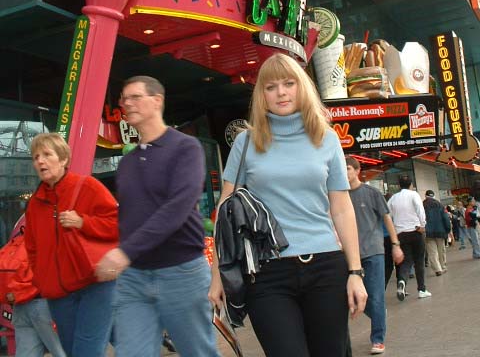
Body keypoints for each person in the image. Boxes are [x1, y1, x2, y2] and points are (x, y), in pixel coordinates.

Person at [209, 53, 367, 357]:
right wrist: (218, 276)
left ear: (302, 86)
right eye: (271, 87)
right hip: (267, 274)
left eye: (288, 83)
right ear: (262, 95)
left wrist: (355, 272)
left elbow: (341, 207)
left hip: (325, 267)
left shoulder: (326, 138)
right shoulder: (246, 142)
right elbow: (225, 215)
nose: (281, 92)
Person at [96, 76, 219, 357]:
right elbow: (127, 218)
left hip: (181, 272)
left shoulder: (186, 148)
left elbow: (177, 208)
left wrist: (124, 252)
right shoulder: (127, 164)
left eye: (135, 97)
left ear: (157, 101)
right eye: (124, 99)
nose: (127, 103)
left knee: (198, 352)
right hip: (133, 278)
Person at [24, 133, 119, 357]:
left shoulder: (87, 186)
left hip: (95, 284)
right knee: (73, 351)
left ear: (63, 159)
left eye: (47, 154)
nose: (40, 161)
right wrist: (42, 278)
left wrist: (83, 222)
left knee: (86, 351)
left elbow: (119, 224)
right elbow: (32, 248)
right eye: (36, 157)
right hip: (59, 293)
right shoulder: (35, 204)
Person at [345, 156, 404, 355]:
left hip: (373, 252)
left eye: (348, 168)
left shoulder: (372, 193)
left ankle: (378, 339)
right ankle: (379, 315)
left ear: (357, 170)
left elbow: (387, 220)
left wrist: (395, 245)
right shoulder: (339, 195)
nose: (345, 172)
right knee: (359, 299)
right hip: (348, 255)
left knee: (376, 296)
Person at [6, 232, 66, 357]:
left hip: (20, 305)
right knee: (64, 352)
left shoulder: (20, 233)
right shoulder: (54, 233)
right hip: (46, 304)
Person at [387, 175, 431, 301]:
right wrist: (422, 225)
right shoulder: (414, 195)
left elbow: (387, 215)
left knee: (406, 261)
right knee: (419, 261)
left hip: (401, 233)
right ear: (411, 184)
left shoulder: (393, 198)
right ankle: (422, 289)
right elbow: (420, 210)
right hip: (415, 231)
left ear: (399, 185)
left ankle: (402, 282)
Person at [423, 190, 451, 276]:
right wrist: (448, 229)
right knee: (441, 250)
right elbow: (445, 217)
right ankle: (443, 266)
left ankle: (437, 269)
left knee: (432, 251)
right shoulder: (439, 204)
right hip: (440, 231)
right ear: (433, 196)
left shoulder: (422, 205)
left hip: (428, 232)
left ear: (425, 196)